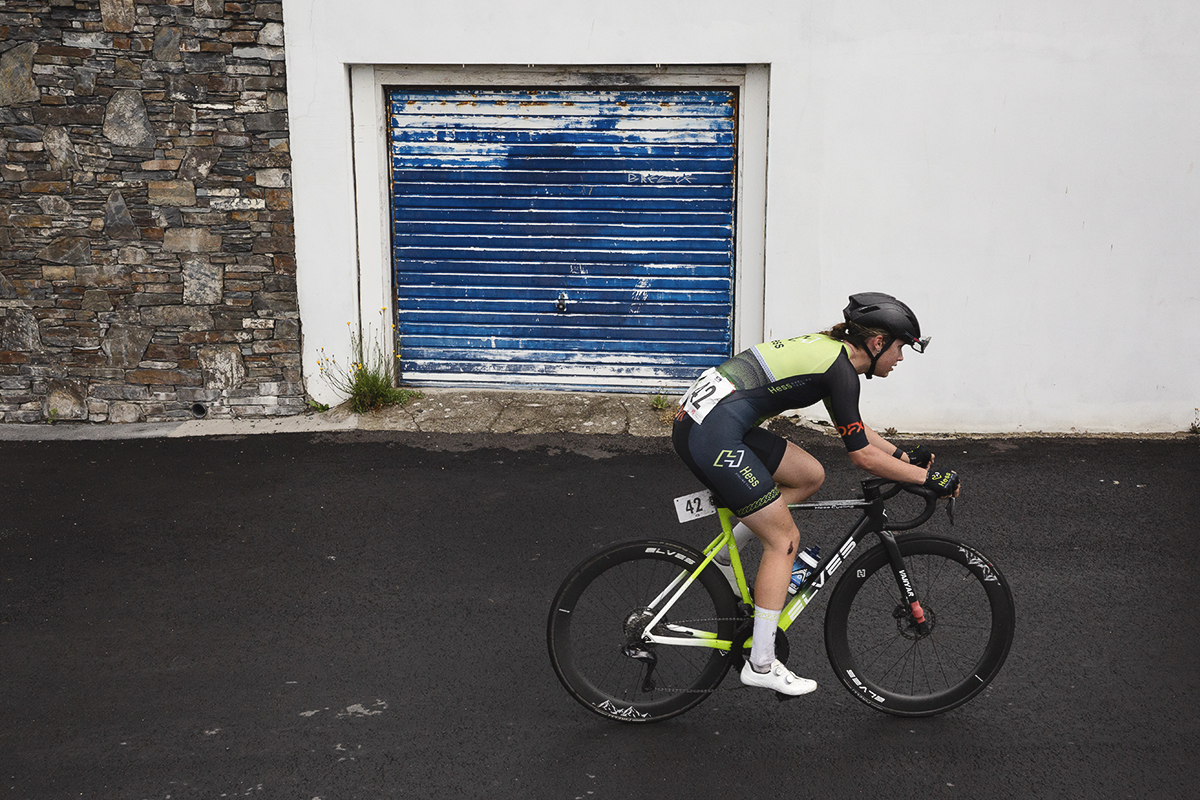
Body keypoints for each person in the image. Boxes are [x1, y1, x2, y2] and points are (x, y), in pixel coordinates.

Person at [672, 292, 961, 695]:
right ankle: (761, 663)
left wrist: (903, 456)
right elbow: (862, 457)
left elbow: (855, 427)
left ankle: (724, 555)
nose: (900, 358)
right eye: (900, 348)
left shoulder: (832, 356)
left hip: (710, 423)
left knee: (808, 475)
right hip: (712, 434)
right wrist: (926, 479)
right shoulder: (838, 370)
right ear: (877, 342)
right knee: (784, 540)